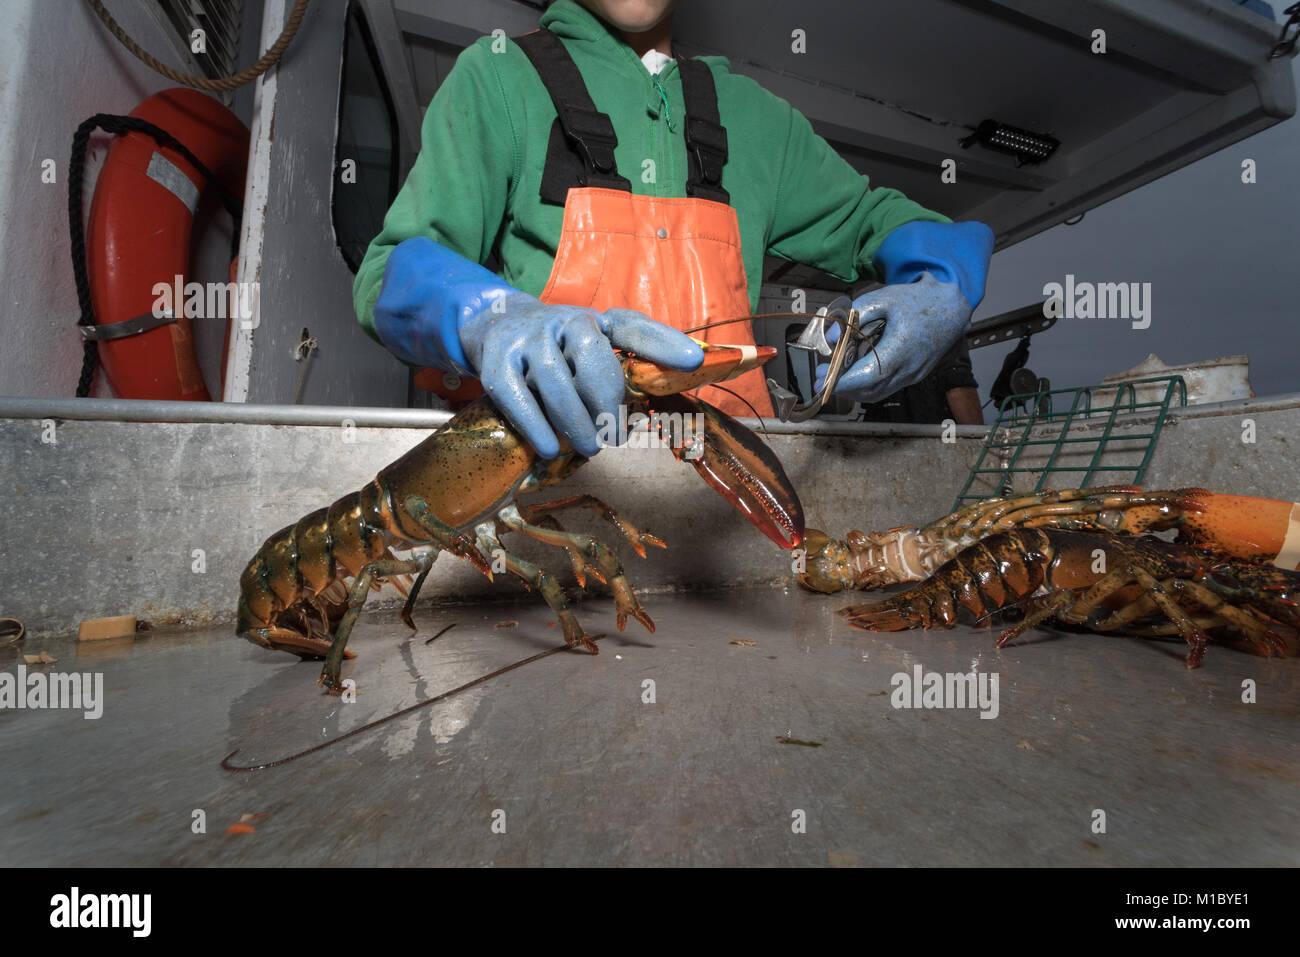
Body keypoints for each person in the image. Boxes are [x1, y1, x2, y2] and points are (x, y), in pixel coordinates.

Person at [354, 0, 993, 460]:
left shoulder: (759, 119)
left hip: (738, 517)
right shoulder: (496, 78)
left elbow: (880, 218)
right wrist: (487, 315)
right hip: (552, 502)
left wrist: (940, 281)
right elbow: (389, 273)